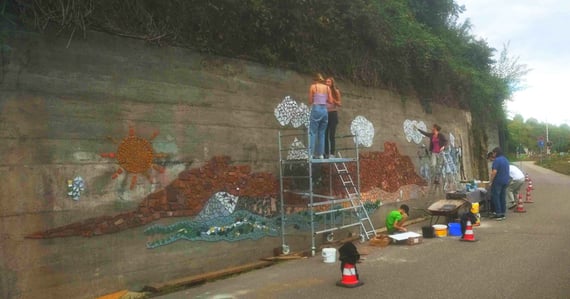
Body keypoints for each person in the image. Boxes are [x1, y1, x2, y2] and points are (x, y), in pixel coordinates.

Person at [308, 73, 333, 159]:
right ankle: (321, 154)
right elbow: (330, 100)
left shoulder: (313, 87)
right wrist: (323, 99)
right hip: (324, 110)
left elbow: (310, 101)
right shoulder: (327, 88)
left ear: (315, 80)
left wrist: (317, 98)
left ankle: (311, 154)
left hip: (316, 108)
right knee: (322, 133)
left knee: (312, 132)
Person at [489, 147, 510, 221]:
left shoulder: (497, 160)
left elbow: (494, 172)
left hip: (498, 181)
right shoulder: (506, 159)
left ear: (496, 153)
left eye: (493, 153)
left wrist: (490, 181)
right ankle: (503, 213)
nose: (493, 154)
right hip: (506, 181)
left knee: (496, 197)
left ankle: (498, 214)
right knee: (502, 197)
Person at [324, 77, 341, 158]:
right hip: (325, 113)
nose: (327, 83)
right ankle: (326, 153)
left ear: (332, 83)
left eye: (329, 82)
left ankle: (332, 153)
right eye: (326, 82)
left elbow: (339, 104)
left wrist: (333, 99)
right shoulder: (324, 92)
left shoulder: (336, 91)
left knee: (332, 135)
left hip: (333, 113)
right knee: (325, 134)